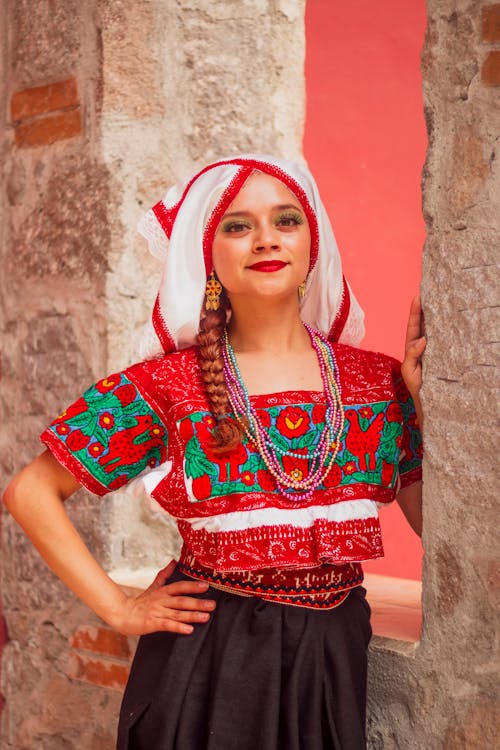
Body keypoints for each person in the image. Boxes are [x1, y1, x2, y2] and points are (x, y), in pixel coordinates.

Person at [3, 154, 425, 750]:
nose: (265, 240)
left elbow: (435, 525)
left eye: (286, 220)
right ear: (206, 255)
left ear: (313, 242)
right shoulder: (165, 386)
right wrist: (120, 610)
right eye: (236, 225)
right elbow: (30, 492)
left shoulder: (378, 382)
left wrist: (425, 408)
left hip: (333, 656)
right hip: (209, 660)